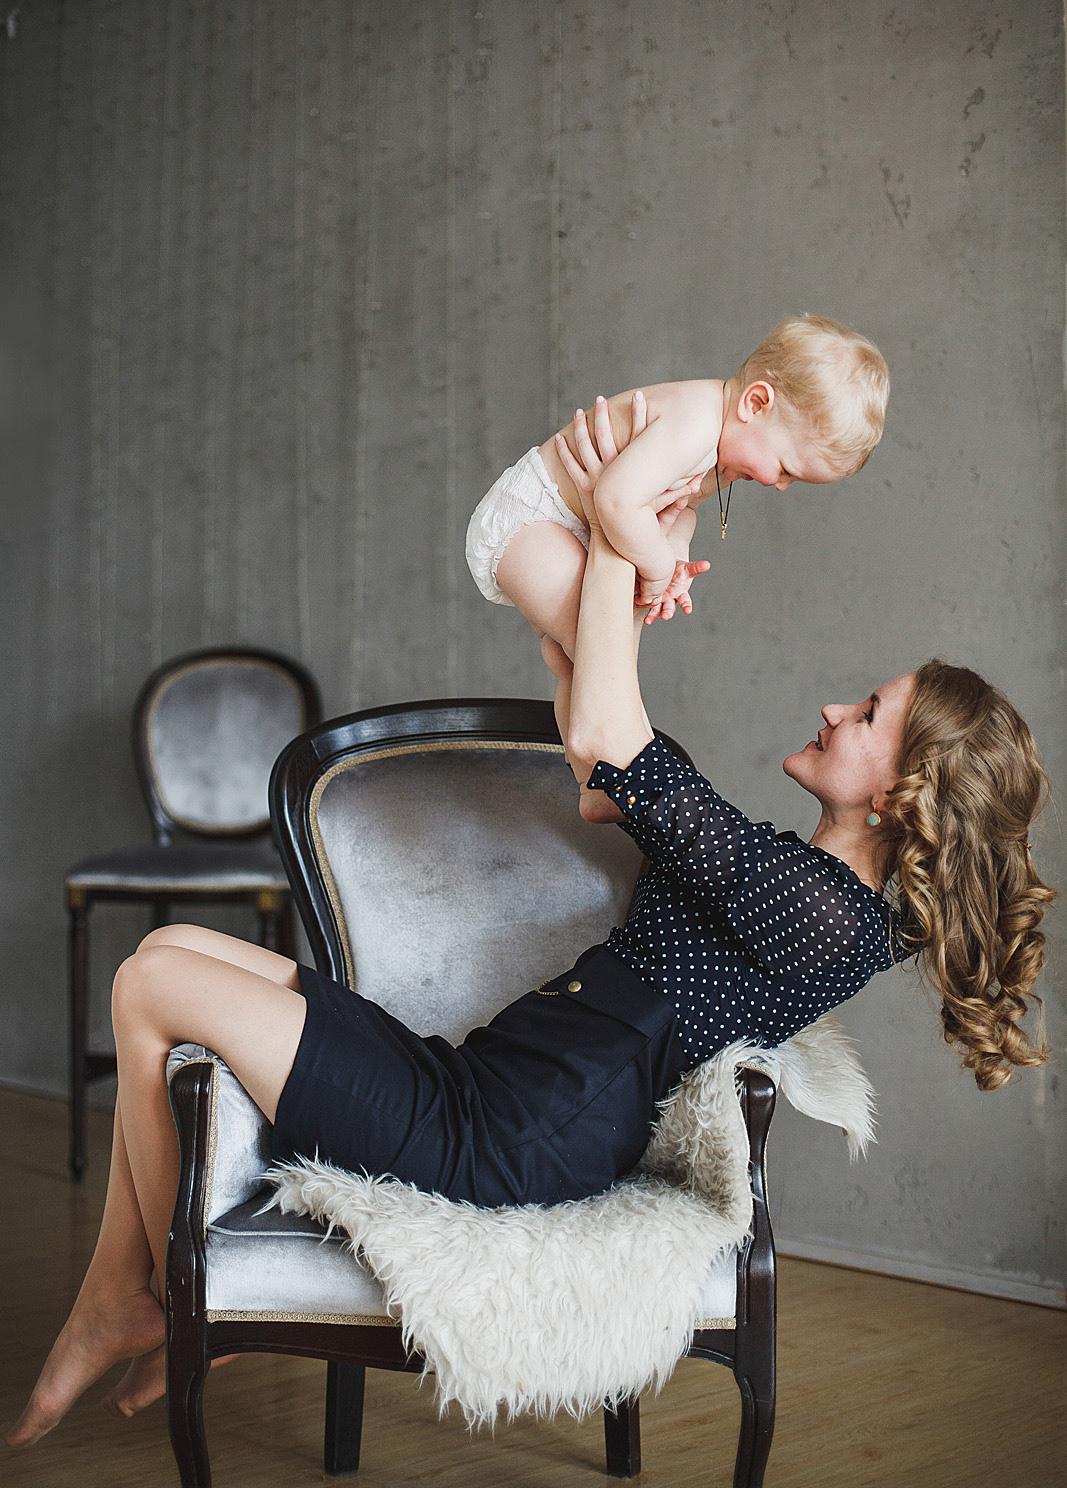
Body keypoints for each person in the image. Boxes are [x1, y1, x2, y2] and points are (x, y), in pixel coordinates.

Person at [7, 401, 1050, 1453]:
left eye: (865, 713)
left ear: (901, 792)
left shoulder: (819, 915)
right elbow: (601, 775)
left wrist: (614, 520)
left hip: (502, 1144)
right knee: (167, 952)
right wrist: (618, 557)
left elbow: (609, 737)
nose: (833, 708)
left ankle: (124, 1296)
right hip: (484, 1087)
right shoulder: (793, 878)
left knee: (147, 988)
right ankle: (142, 1293)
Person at [465, 315, 890, 814]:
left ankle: (591, 782)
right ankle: (622, 772)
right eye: (786, 470)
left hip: (567, 525)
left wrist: (678, 550)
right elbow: (618, 500)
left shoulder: (721, 447)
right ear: (756, 403)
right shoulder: (695, 423)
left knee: (581, 663)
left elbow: (676, 507)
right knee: (604, 656)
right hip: (532, 521)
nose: (778, 486)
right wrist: (659, 568)